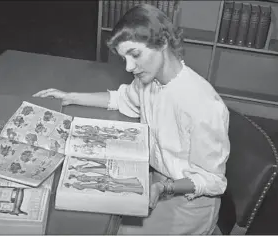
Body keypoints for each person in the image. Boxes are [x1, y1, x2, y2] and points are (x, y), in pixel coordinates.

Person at [33, 4, 230, 235]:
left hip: (188, 202)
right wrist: (69, 96)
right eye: (124, 58)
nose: (129, 67)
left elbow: (214, 180)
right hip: (156, 181)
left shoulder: (203, 104)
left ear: (163, 43)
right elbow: (121, 99)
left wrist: (164, 187)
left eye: (135, 55)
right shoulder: (150, 81)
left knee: (109, 230)